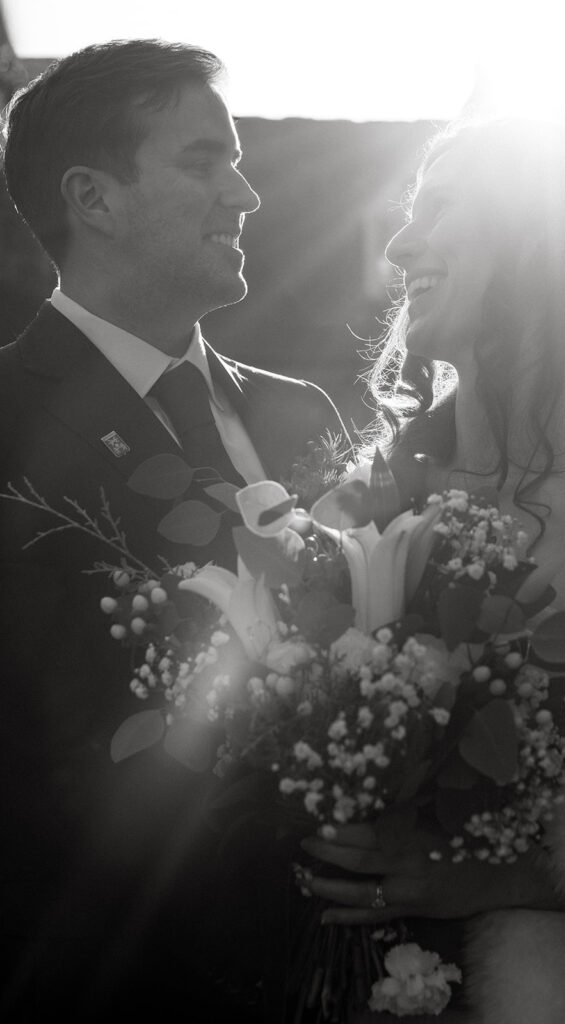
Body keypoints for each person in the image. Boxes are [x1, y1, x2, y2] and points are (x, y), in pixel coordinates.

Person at [301, 117, 565, 1021]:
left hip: (534, 989)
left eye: (437, 209)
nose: (402, 244)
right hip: (318, 972)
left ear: (538, 243)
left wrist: (492, 879)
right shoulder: (375, 489)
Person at [0, 39, 347, 1020]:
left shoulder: (304, 416)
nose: (245, 196)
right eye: (203, 161)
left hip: (341, 967)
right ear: (92, 198)